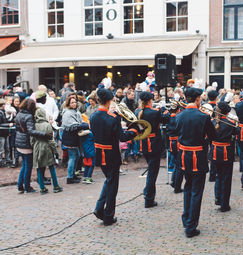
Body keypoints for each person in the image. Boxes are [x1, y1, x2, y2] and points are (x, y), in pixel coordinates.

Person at [90, 88, 140, 226]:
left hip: (100, 153)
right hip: (111, 154)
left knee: (109, 180)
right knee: (113, 186)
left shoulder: (93, 116)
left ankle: (99, 208)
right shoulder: (113, 118)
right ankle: (108, 216)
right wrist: (134, 130)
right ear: (108, 100)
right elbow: (122, 137)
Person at [176, 87, 216, 237]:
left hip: (184, 155)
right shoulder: (204, 116)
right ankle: (191, 226)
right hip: (198, 156)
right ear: (198, 99)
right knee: (196, 191)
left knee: (188, 187)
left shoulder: (179, 115)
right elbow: (212, 137)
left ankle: (186, 219)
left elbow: (174, 132)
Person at [138, 91, 170, 208]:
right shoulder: (154, 112)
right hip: (154, 144)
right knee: (152, 173)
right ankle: (149, 198)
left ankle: (148, 194)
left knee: (151, 170)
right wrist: (163, 109)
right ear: (150, 101)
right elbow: (167, 119)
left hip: (145, 143)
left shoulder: (139, 112)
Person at [15, 99, 52, 194]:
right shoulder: (29, 116)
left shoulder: (19, 114)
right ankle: (27, 186)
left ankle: (20, 185)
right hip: (26, 143)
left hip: (19, 141)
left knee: (24, 164)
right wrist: (44, 134)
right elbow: (31, 131)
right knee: (28, 165)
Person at [211, 102, 236, 212]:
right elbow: (237, 132)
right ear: (227, 112)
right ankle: (224, 204)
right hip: (226, 152)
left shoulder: (212, 122)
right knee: (226, 178)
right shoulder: (230, 123)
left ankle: (218, 197)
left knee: (218, 175)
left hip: (215, 151)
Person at [31, 108, 63, 194]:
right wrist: (55, 151)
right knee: (51, 167)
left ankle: (42, 188)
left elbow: (32, 140)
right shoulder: (47, 125)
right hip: (47, 147)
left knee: (40, 168)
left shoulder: (34, 125)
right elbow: (51, 140)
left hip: (37, 147)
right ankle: (56, 186)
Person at [61, 96, 89, 184]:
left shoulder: (76, 111)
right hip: (70, 136)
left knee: (76, 155)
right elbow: (71, 126)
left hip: (75, 136)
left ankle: (73, 175)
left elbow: (79, 122)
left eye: (75, 102)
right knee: (73, 157)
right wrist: (84, 125)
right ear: (68, 104)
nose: (74, 104)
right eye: (72, 102)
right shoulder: (67, 113)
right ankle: (70, 177)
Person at [167, 102, 183, 193]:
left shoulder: (168, 117)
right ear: (178, 110)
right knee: (180, 165)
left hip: (171, 141)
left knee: (177, 163)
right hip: (177, 142)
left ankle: (174, 181)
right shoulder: (177, 118)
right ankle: (177, 186)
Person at [0, 99, 13, 168]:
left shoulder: (0, 112)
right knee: (1, 149)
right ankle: (0, 162)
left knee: (6, 148)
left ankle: (7, 161)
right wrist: (8, 124)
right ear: (3, 105)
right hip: (0, 134)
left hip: (3, 133)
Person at [207, 89, 218, 182]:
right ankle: (213, 173)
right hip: (214, 129)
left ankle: (210, 173)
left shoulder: (205, 106)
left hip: (205, 131)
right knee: (213, 150)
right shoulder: (217, 107)